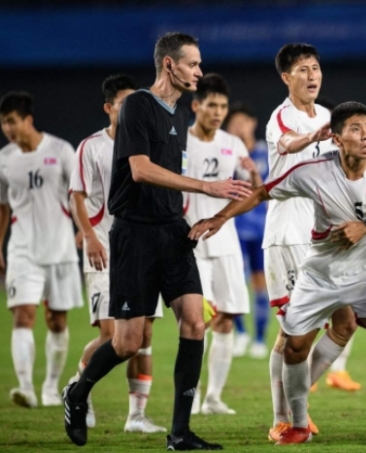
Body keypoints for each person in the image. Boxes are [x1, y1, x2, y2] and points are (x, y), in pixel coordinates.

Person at [189, 101, 366, 444]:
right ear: (338, 140)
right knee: (295, 347)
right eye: (355, 129)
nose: (365, 135)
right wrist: (221, 217)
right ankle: (296, 424)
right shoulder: (313, 171)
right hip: (320, 273)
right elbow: (262, 193)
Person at [62, 32, 249, 450]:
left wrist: (197, 218)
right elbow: (142, 170)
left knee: (196, 322)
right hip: (134, 234)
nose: (200, 72)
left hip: (172, 231)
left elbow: (169, 175)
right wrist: (206, 187)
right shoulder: (138, 107)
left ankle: (179, 433)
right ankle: (77, 392)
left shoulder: (180, 113)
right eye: (193, 64)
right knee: (127, 342)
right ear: (170, 65)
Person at [261, 43, 359, 441]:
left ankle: (296, 397)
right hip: (287, 236)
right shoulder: (279, 118)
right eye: (302, 69)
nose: (312, 75)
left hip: (321, 238)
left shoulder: (327, 116)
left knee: (345, 322)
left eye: (316, 67)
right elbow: (286, 145)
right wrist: (313, 136)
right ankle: (281, 417)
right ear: (287, 78)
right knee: (292, 334)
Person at [68, 74, 165, 433]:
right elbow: (77, 195)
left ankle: (136, 416)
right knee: (113, 336)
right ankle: (79, 391)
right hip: (105, 251)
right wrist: (89, 236)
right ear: (109, 108)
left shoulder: (147, 144)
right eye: (124, 104)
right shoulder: (90, 146)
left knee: (144, 337)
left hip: (141, 252)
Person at [183, 74, 262, 415]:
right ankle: (193, 396)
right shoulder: (179, 143)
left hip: (225, 241)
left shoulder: (233, 143)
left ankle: (213, 397)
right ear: (196, 105)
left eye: (222, 106)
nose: (217, 112)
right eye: (211, 105)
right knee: (198, 323)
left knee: (227, 319)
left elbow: (255, 194)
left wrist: (254, 175)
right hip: (190, 243)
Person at [0, 91, 82, 409]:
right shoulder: (4, 159)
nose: (7, 128)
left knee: (57, 321)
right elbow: (3, 208)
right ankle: (25, 388)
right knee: (23, 314)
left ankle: (50, 386)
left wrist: (84, 232)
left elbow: (79, 196)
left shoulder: (61, 150)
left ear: (27, 120)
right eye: (4, 123)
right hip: (23, 250)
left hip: (60, 248)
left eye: (12, 121)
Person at [225, 101, 271, 359]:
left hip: (263, 228)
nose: (239, 127)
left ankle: (260, 339)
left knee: (260, 283)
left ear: (253, 124)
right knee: (234, 281)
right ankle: (240, 332)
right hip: (233, 226)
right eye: (234, 124)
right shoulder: (226, 154)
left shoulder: (267, 151)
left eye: (243, 122)